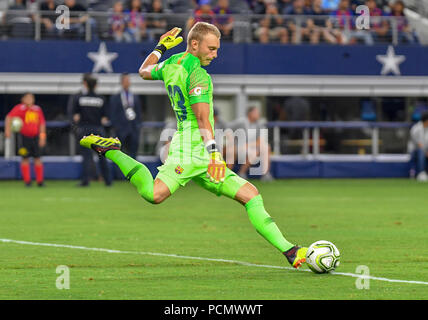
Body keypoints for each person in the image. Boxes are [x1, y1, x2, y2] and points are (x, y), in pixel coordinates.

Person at [79, 23, 308, 269]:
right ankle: (113, 151)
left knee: (250, 195)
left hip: (197, 148)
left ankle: (290, 251)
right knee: (154, 194)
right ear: (195, 44)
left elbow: (144, 71)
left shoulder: (172, 62)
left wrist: (160, 48)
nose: (215, 54)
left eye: (217, 49)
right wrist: (215, 155)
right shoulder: (198, 74)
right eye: (211, 48)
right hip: (191, 148)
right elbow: (201, 118)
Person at [71, 75, 112, 187]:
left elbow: (74, 116)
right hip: (98, 129)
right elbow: (106, 117)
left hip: (84, 129)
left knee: (86, 157)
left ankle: (85, 181)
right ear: (96, 85)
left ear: (85, 84)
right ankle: (108, 181)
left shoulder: (79, 98)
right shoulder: (101, 98)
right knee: (103, 155)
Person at [5, 93, 46, 187]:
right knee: (25, 158)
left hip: (35, 137)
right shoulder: (19, 108)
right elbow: (9, 117)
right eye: (27, 97)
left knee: (38, 158)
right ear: (23, 99)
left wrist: (42, 137)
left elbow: (42, 124)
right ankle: (27, 181)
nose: (29, 99)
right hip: (24, 137)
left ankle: (40, 181)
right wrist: (8, 130)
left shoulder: (37, 109)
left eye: (31, 98)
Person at [228, 106, 274, 181]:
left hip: (249, 147)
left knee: (266, 147)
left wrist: (247, 145)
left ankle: (266, 174)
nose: (258, 114)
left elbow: (260, 141)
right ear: (250, 113)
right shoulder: (241, 122)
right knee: (253, 151)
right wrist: (231, 142)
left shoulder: (259, 124)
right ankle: (240, 173)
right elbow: (227, 129)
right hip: (238, 147)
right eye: (256, 112)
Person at [109, 73, 142, 159]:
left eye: (128, 80)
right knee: (120, 154)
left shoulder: (135, 96)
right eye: (126, 80)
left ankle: (133, 172)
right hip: (121, 130)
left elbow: (138, 112)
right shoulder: (115, 97)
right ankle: (119, 172)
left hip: (133, 129)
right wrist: (117, 127)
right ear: (122, 82)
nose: (128, 82)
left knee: (133, 154)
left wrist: (137, 126)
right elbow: (112, 113)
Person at [408, 112, 428, 182]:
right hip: (415, 150)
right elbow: (418, 144)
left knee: (422, 152)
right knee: (421, 152)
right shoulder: (416, 128)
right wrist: (426, 152)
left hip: (425, 150)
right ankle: (421, 173)